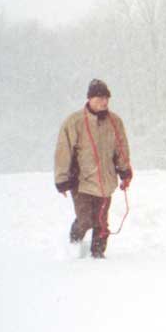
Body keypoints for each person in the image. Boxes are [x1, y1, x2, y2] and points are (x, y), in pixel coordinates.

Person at [54, 79, 132, 258]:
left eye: (106, 98)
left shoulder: (115, 121)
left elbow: (121, 148)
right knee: (86, 220)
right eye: (99, 97)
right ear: (89, 98)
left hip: (106, 180)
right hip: (81, 182)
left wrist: (125, 171)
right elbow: (63, 151)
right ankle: (73, 246)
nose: (103, 102)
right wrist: (61, 179)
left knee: (102, 222)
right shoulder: (74, 122)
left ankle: (97, 255)